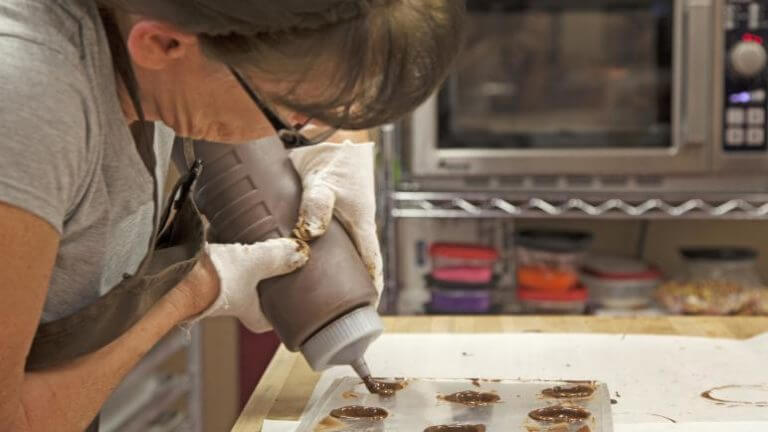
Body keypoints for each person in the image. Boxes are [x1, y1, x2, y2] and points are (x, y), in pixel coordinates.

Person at [0, 1, 466, 430]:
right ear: (161, 45)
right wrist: (195, 290)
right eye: (294, 116)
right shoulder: (26, 105)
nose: (299, 133)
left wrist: (341, 146)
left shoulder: (189, 40)